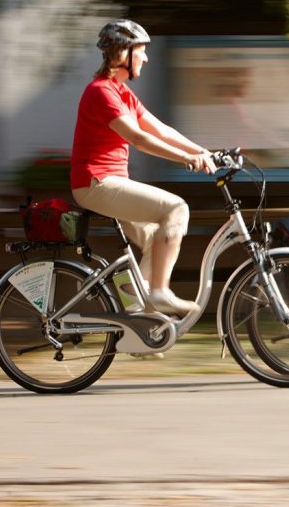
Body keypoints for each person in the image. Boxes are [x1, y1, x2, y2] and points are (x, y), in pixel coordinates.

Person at [70, 19, 216, 316]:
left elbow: (160, 129)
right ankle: (159, 292)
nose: (147, 58)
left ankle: (136, 312)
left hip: (109, 183)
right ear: (124, 53)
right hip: (96, 183)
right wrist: (186, 159)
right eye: (142, 51)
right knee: (176, 209)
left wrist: (202, 151)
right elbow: (138, 138)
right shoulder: (101, 92)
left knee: (155, 240)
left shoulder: (121, 92)